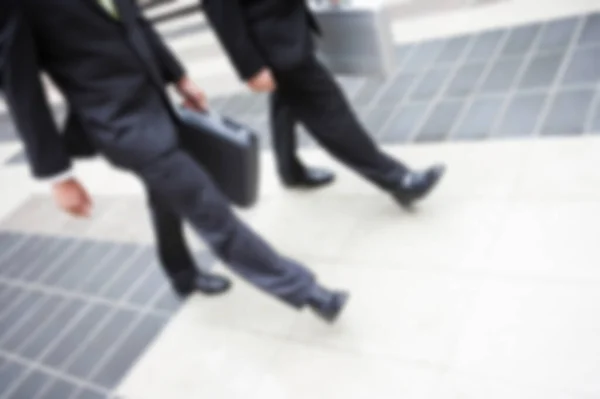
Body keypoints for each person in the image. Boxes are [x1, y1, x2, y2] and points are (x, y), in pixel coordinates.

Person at [0, 0, 348, 322]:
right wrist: (57, 174)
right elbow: (20, 88)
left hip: (157, 103)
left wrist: (178, 77)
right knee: (208, 208)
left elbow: (137, 23)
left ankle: (181, 274)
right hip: (120, 124)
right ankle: (308, 292)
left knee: (166, 198)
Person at [202, 0, 446, 201]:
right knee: (330, 112)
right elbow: (220, 10)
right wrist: (250, 67)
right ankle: (397, 180)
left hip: (285, 31)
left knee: (286, 100)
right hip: (273, 43)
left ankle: (290, 171)